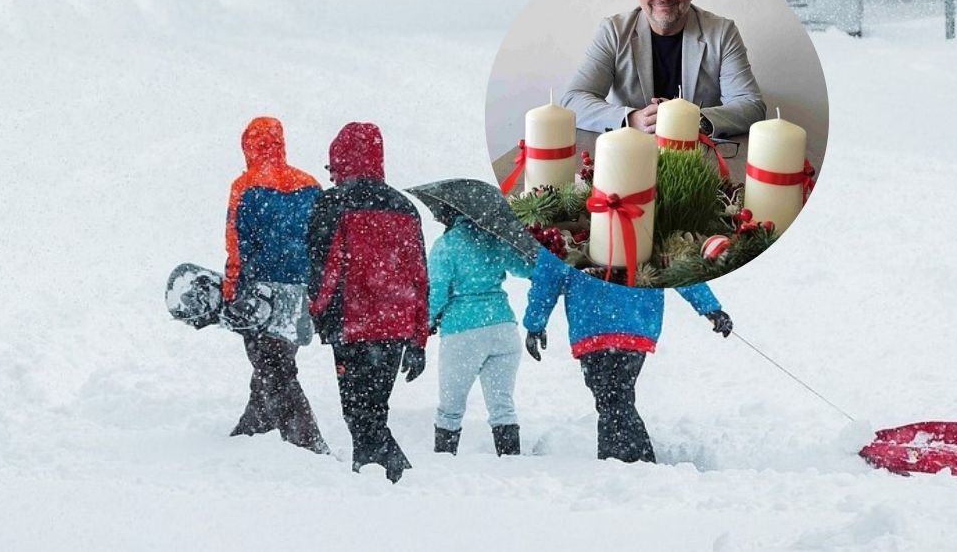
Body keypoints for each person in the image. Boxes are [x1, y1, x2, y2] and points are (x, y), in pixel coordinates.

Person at [306, 122, 429, 483]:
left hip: (352, 325)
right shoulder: (406, 208)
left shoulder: (332, 204)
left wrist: (316, 312)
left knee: (359, 415)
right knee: (374, 411)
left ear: (341, 161)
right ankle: (376, 480)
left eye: (332, 167)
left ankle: (390, 480)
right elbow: (419, 276)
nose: (331, 176)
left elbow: (324, 270)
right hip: (395, 326)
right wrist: (418, 339)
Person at [523, 251, 733, 463]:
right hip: (635, 321)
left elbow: (547, 277)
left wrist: (535, 324)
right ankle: (634, 463)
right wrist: (710, 309)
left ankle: (627, 464)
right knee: (616, 397)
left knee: (612, 399)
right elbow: (677, 266)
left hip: (592, 323)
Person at [560, 0, 766, 137]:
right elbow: (573, 100)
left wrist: (693, 120)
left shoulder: (722, 32)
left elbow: (751, 106)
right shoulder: (613, 31)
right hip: (631, 151)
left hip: (698, 155)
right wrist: (632, 119)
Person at [222, 116, 329, 454]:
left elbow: (237, 244)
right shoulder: (310, 184)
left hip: (262, 291)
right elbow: (321, 241)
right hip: (300, 290)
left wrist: (231, 287)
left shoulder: (245, 186)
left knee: (274, 367)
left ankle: (307, 441)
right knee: (275, 359)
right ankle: (254, 425)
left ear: (248, 146)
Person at [427, 215, 534, 456]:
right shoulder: (496, 238)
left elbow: (437, 293)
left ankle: (444, 462)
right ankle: (511, 462)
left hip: (462, 331)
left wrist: (427, 323)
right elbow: (527, 268)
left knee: (450, 409)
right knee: (502, 407)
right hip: (503, 327)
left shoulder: (446, 244)